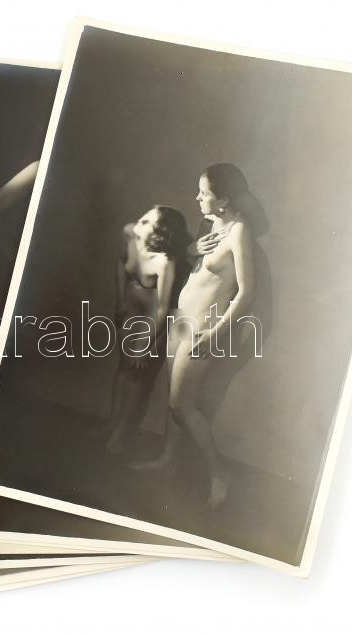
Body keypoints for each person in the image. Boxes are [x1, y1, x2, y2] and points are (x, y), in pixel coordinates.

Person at [167, 163, 256, 507]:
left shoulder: (239, 232)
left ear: (224, 199)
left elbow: (246, 292)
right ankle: (166, 460)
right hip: (181, 322)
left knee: (181, 405)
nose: (198, 198)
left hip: (204, 330)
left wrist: (216, 334)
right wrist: (191, 249)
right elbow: (197, 267)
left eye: (204, 193)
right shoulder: (212, 224)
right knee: (172, 400)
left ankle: (220, 473)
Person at [103, 205, 190, 454]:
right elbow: (121, 263)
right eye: (144, 216)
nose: (139, 220)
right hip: (132, 307)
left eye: (147, 221)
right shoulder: (129, 233)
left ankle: (120, 437)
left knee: (137, 376)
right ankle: (111, 426)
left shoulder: (164, 262)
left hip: (155, 318)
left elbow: (162, 308)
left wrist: (145, 343)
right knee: (123, 368)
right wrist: (120, 299)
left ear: (159, 234)